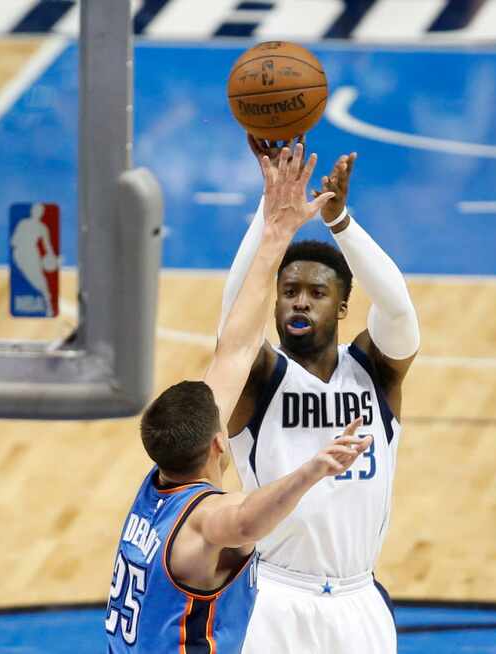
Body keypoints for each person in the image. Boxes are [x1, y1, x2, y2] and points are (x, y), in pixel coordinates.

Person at [105, 144, 372, 654]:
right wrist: (312, 470)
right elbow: (248, 520)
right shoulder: (205, 521)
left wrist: (275, 230)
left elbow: (235, 348)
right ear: (216, 443)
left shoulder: (158, 488)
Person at [216, 137, 420, 654]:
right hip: (276, 595)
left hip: (359, 597)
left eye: (316, 292)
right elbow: (233, 321)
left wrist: (341, 221)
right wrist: (272, 209)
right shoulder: (261, 377)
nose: (299, 302)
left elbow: (399, 311)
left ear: (343, 307)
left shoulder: (374, 371)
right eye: (288, 292)